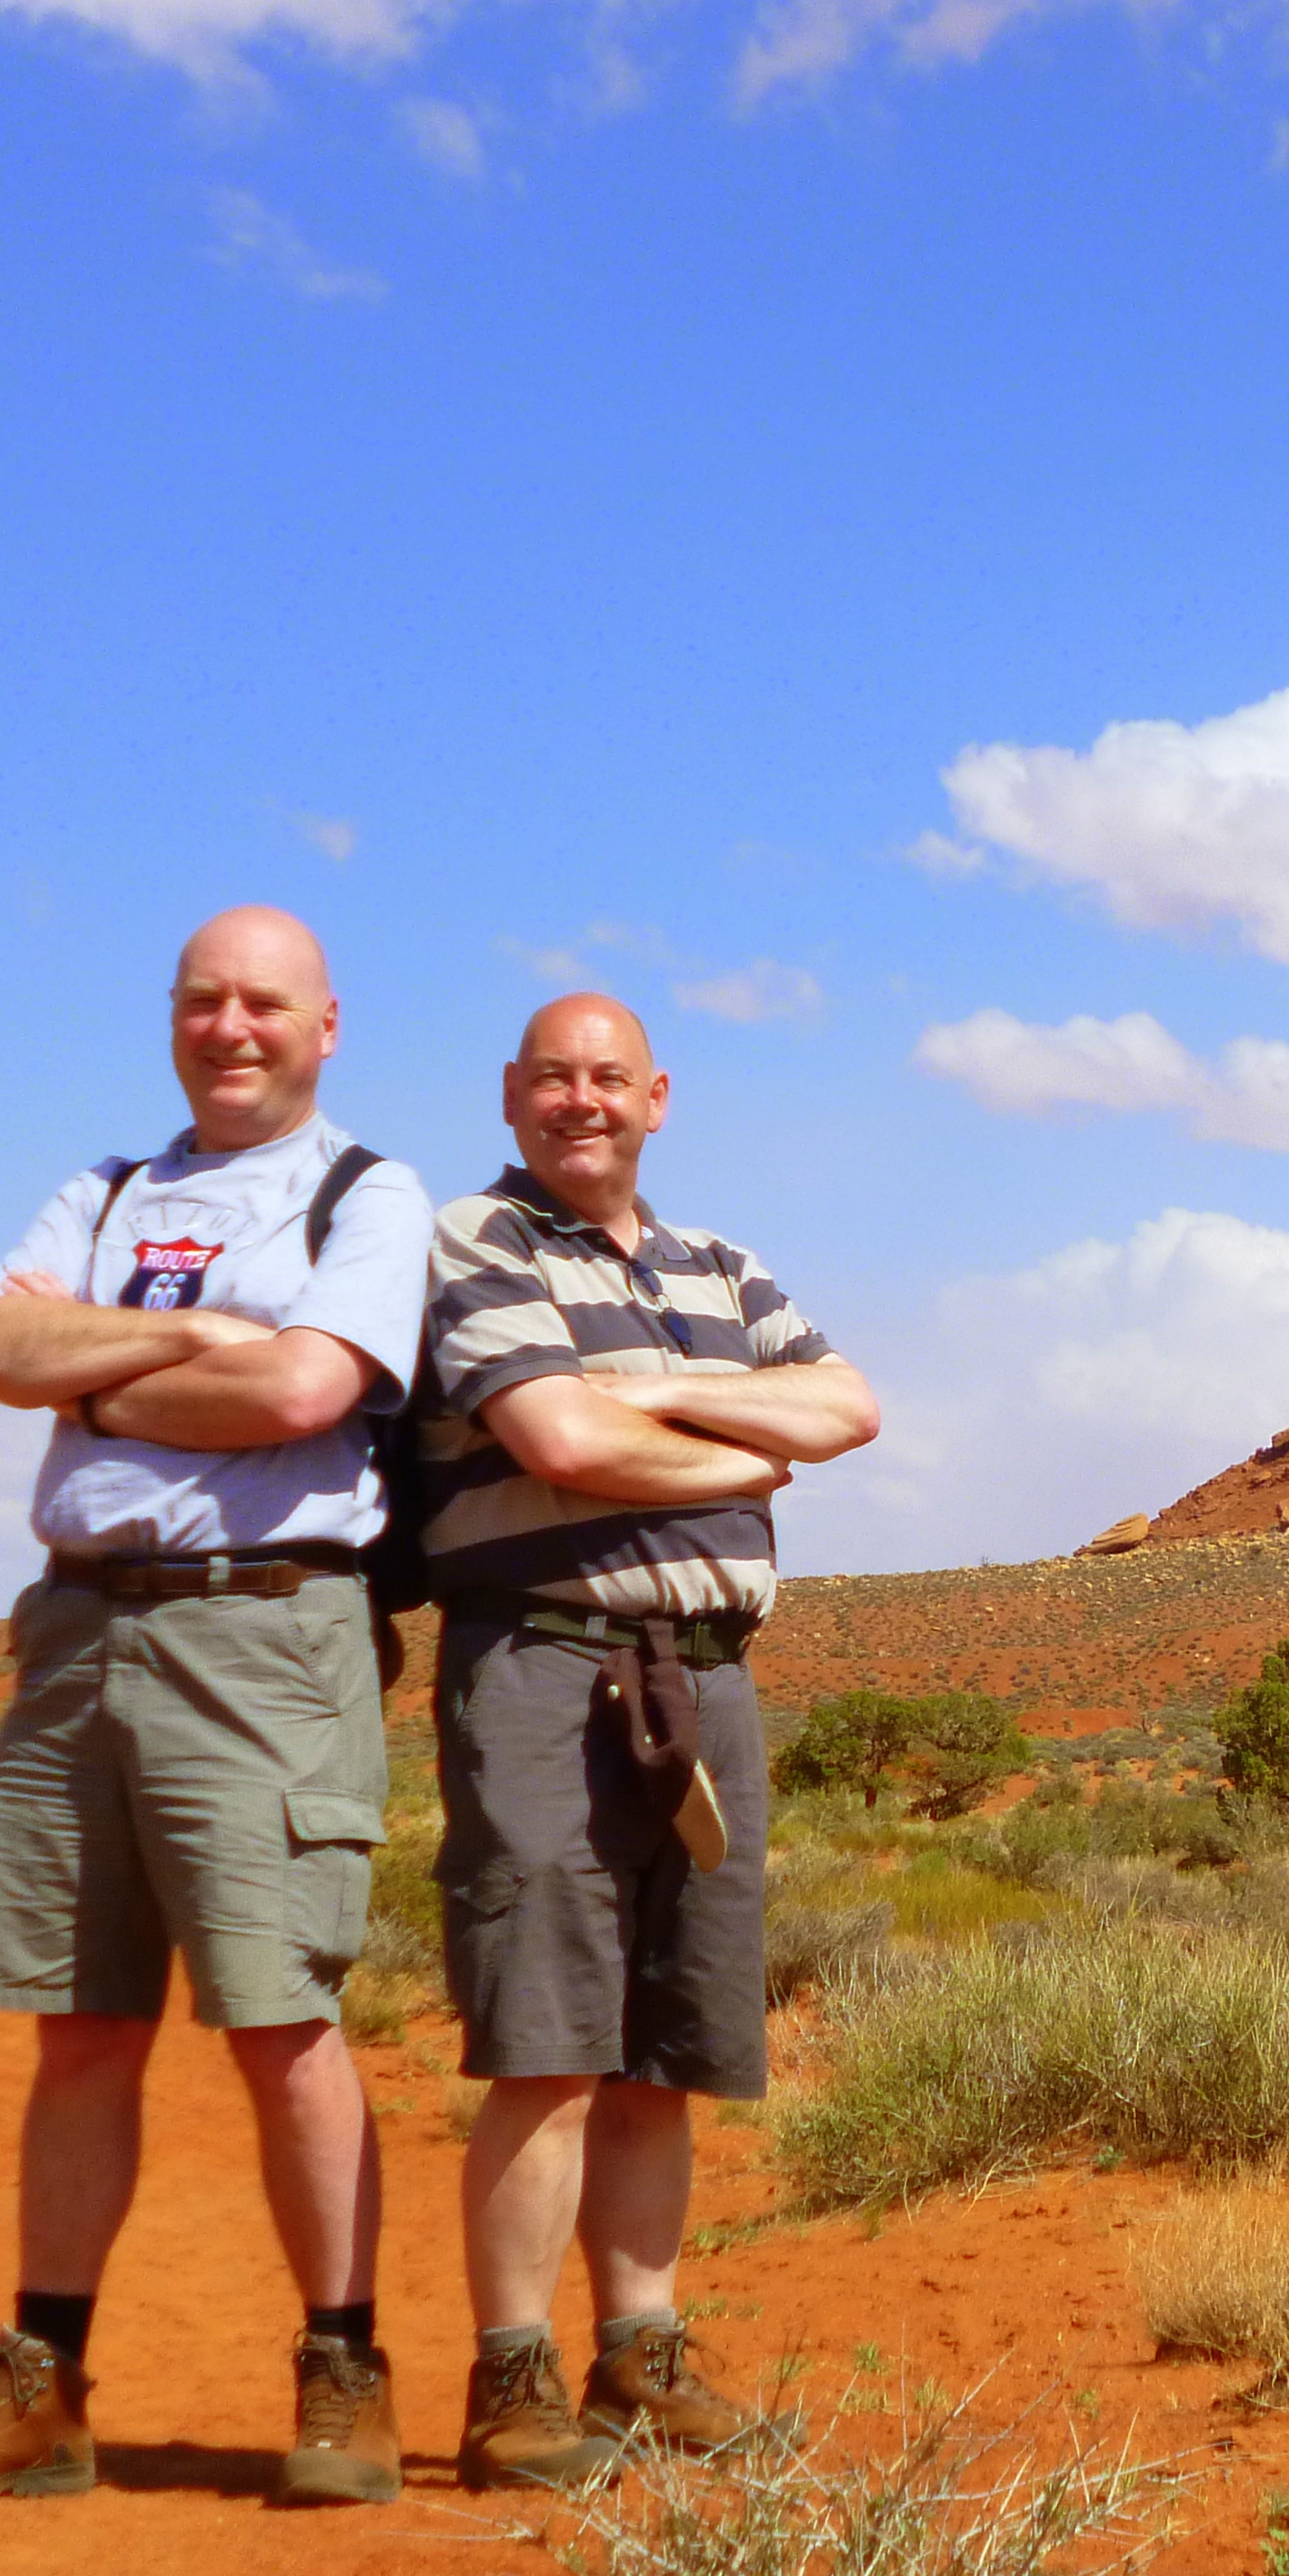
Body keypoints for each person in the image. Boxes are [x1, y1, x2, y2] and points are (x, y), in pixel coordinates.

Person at [0, 907, 434, 2509]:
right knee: (82, 2028)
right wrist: (196, 1334)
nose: (231, 1026)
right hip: (78, 1637)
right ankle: (42, 2387)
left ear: (329, 1024)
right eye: (203, 1000)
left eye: (266, 1002)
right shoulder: (106, 1190)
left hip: (262, 1638)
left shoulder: (366, 1193)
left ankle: (344, 2374)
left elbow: (307, 1392)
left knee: (282, 2020)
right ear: (171, 1017)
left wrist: (92, 1375)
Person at [418, 990, 878, 2490]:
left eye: (608, 1078)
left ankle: (642, 2355)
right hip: (546, 1665)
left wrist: (666, 1389)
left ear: (658, 1097)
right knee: (550, 2041)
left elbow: (850, 1408)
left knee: (666, 2045)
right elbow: (559, 1442)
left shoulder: (716, 1266)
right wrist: (743, 1449)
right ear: (511, 1095)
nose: (581, 1101)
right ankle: (509, 2382)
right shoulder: (473, 1244)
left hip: (706, 1681)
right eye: (553, 1077)